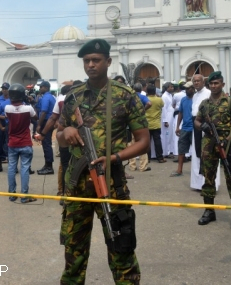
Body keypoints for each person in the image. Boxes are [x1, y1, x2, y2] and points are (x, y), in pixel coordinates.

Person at [58, 38, 150, 284]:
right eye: (86, 61)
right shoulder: (72, 98)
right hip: (77, 187)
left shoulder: (125, 96)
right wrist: (65, 133)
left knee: (121, 249)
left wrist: (115, 157)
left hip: (112, 183)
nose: (90, 65)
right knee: (73, 253)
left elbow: (143, 141)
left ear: (108, 62)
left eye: (96, 60)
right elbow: (59, 134)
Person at [194, 72, 231, 229]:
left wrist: (229, 138)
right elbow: (197, 120)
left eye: (216, 83)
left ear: (222, 84)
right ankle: (209, 211)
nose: (214, 86)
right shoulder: (204, 103)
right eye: (211, 83)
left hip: (227, 144)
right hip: (208, 144)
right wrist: (202, 126)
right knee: (208, 177)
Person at [4, 84, 37, 204]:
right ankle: (24, 195)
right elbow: (35, 117)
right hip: (25, 142)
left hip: (12, 143)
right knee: (25, 169)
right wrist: (30, 102)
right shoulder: (28, 108)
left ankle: (12, 194)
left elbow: (10, 116)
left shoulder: (7, 108)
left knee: (12, 168)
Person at [190, 73, 212, 190]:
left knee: (205, 153)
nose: (196, 83)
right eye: (194, 81)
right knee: (197, 153)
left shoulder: (208, 94)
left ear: (203, 82)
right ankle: (198, 183)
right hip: (196, 125)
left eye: (198, 81)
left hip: (205, 126)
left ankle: (207, 182)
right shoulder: (194, 95)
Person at [172, 82, 195, 177]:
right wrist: (178, 126)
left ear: (193, 89)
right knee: (181, 150)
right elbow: (180, 113)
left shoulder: (196, 99)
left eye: (189, 88)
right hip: (185, 128)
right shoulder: (183, 100)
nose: (186, 90)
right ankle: (179, 170)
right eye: (186, 88)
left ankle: (198, 171)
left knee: (197, 151)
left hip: (195, 129)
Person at [129, 83, 151, 172]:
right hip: (141, 122)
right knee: (143, 142)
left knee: (131, 144)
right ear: (141, 88)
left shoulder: (130, 96)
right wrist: (143, 111)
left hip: (130, 122)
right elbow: (149, 103)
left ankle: (132, 166)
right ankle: (143, 166)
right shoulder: (142, 96)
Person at [36, 81, 56, 175]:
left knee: (46, 143)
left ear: (46, 88)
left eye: (41, 87)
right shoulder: (50, 97)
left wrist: (39, 125)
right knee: (46, 143)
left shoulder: (46, 97)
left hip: (46, 121)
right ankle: (47, 165)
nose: (40, 88)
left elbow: (43, 112)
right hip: (49, 121)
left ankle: (49, 167)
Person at [146, 84, 165, 163]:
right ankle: (160, 158)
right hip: (156, 123)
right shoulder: (159, 99)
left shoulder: (145, 99)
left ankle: (148, 158)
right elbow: (162, 106)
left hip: (147, 123)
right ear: (155, 91)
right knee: (157, 141)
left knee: (147, 142)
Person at [161, 82, 175, 159]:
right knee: (166, 135)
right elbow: (164, 109)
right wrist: (165, 120)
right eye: (171, 87)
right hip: (167, 118)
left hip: (171, 117)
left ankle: (170, 150)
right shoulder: (164, 96)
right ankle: (166, 152)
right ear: (167, 88)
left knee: (170, 135)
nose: (172, 88)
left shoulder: (170, 95)